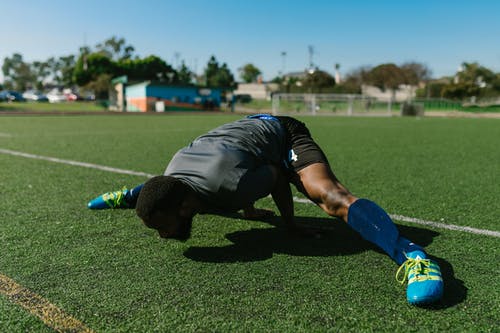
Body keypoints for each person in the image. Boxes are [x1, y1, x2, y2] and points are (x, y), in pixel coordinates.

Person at [87, 114, 443, 305]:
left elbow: (274, 177)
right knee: (169, 196)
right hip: (236, 146)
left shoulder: (227, 187)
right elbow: (162, 189)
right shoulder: (172, 180)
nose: (163, 235)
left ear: (184, 206)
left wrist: (287, 225)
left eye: (161, 226)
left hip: (280, 134)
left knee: (329, 197)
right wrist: (134, 197)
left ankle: (413, 256)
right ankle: (125, 194)